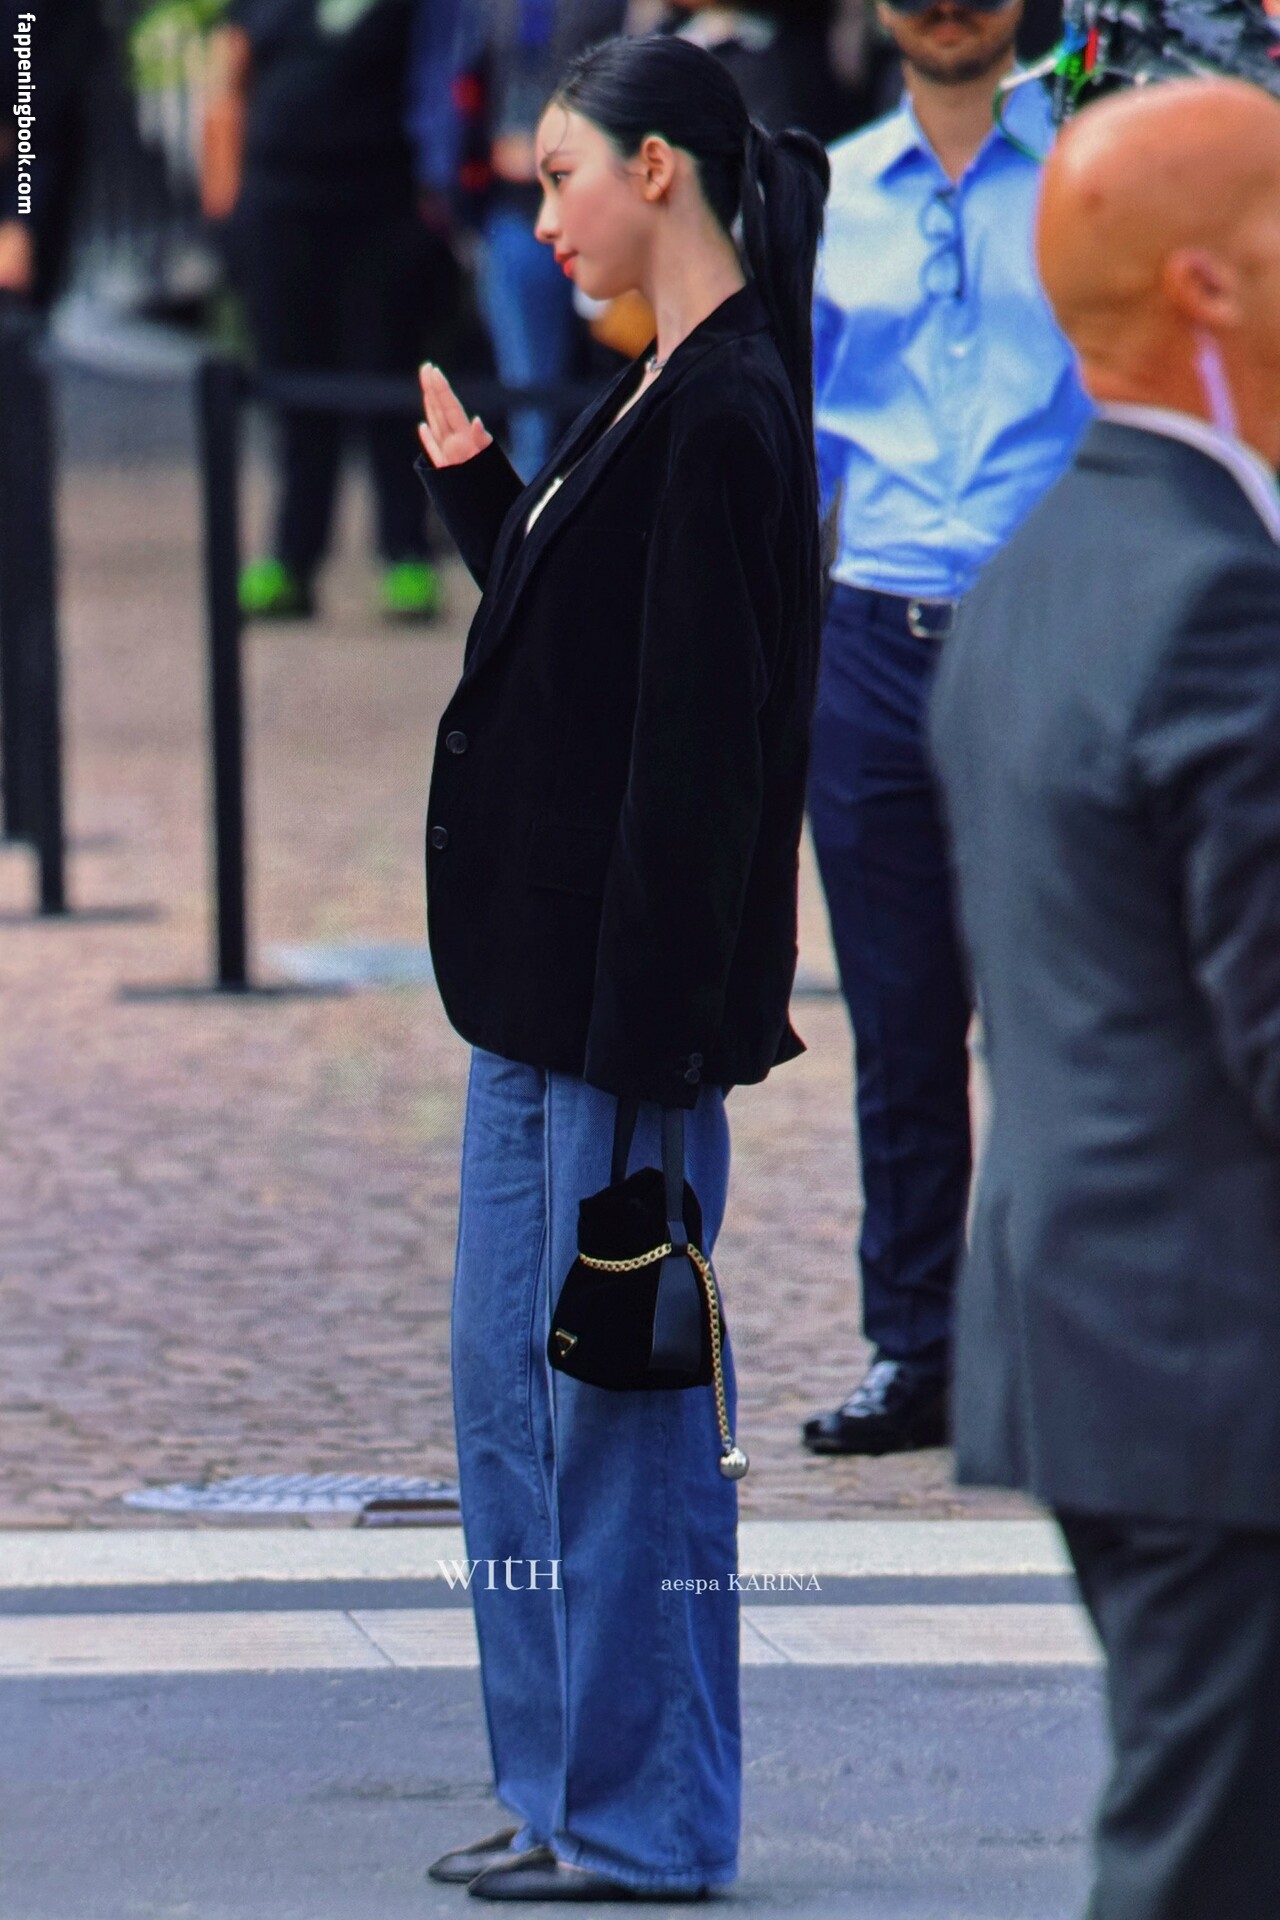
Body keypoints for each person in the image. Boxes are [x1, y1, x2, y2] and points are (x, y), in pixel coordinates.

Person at [413, 33, 827, 1900]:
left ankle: (645, 1822)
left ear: (660, 170)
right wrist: (482, 496)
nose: (544, 220)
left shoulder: (726, 403)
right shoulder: (653, 384)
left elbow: (703, 759)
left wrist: (657, 1049)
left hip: (619, 1021)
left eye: (562, 177)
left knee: (623, 1430)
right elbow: (592, 662)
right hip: (539, 995)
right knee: (514, 1409)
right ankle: (559, 1789)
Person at [929, 78, 1280, 1920]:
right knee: (1207, 1866)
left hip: (1111, 1336)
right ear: (1209, 286)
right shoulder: (1217, 596)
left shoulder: (1042, 568)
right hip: (1217, 1359)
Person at [800, 0, 1091, 1458]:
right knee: (899, 1021)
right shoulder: (828, 198)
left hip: (1056, 634)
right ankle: (914, 1347)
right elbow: (791, 440)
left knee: (1066, 1012)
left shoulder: (1096, 170)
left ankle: (1061, 1342)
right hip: (874, 637)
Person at [201, 0, 457, 621]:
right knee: (293, 392)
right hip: (278, 208)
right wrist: (223, 209)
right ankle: (293, 558)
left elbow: (443, 76)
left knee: (390, 385)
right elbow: (225, 85)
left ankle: (405, 552)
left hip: (382, 207)